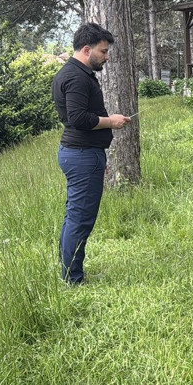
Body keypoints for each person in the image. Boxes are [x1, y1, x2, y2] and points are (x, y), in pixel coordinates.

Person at [52, 22, 130, 284]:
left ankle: (69, 272)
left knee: (75, 217)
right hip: (82, 155)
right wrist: (111, 121)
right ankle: (73, 279)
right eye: (103, 52)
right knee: (80, 220)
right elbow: (78, 118)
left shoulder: (75, 73)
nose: (106, 57)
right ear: (87, 49)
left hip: (80, 154)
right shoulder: (75, 77)